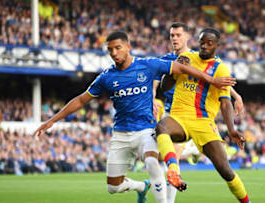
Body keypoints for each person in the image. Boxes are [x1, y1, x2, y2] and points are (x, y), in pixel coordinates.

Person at [34, 31, 235, 203]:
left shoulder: (147, 65)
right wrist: (52, 120)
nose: (114, 53)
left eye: (118, 48)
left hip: (146, 129)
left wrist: (211, 80)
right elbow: (80, 100)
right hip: (120, 134)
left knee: (151, 163)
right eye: (110, 50)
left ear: (128, 47)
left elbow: (181, 68)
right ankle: (141, 187)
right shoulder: (106, 77)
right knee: (113, 187)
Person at [155, 27, 250, 203]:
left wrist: (232, 130)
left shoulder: (221, 69)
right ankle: (173, 171)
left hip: (203, 123)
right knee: (162, 127)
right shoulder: (187, 59)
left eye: (209, 43)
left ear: (217, 45)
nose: (205, 46)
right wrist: (175, 68)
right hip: (179, 117)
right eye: (202, 42)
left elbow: (225, 102)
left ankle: (246, 201)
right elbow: (164, 87)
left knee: (225, 170)